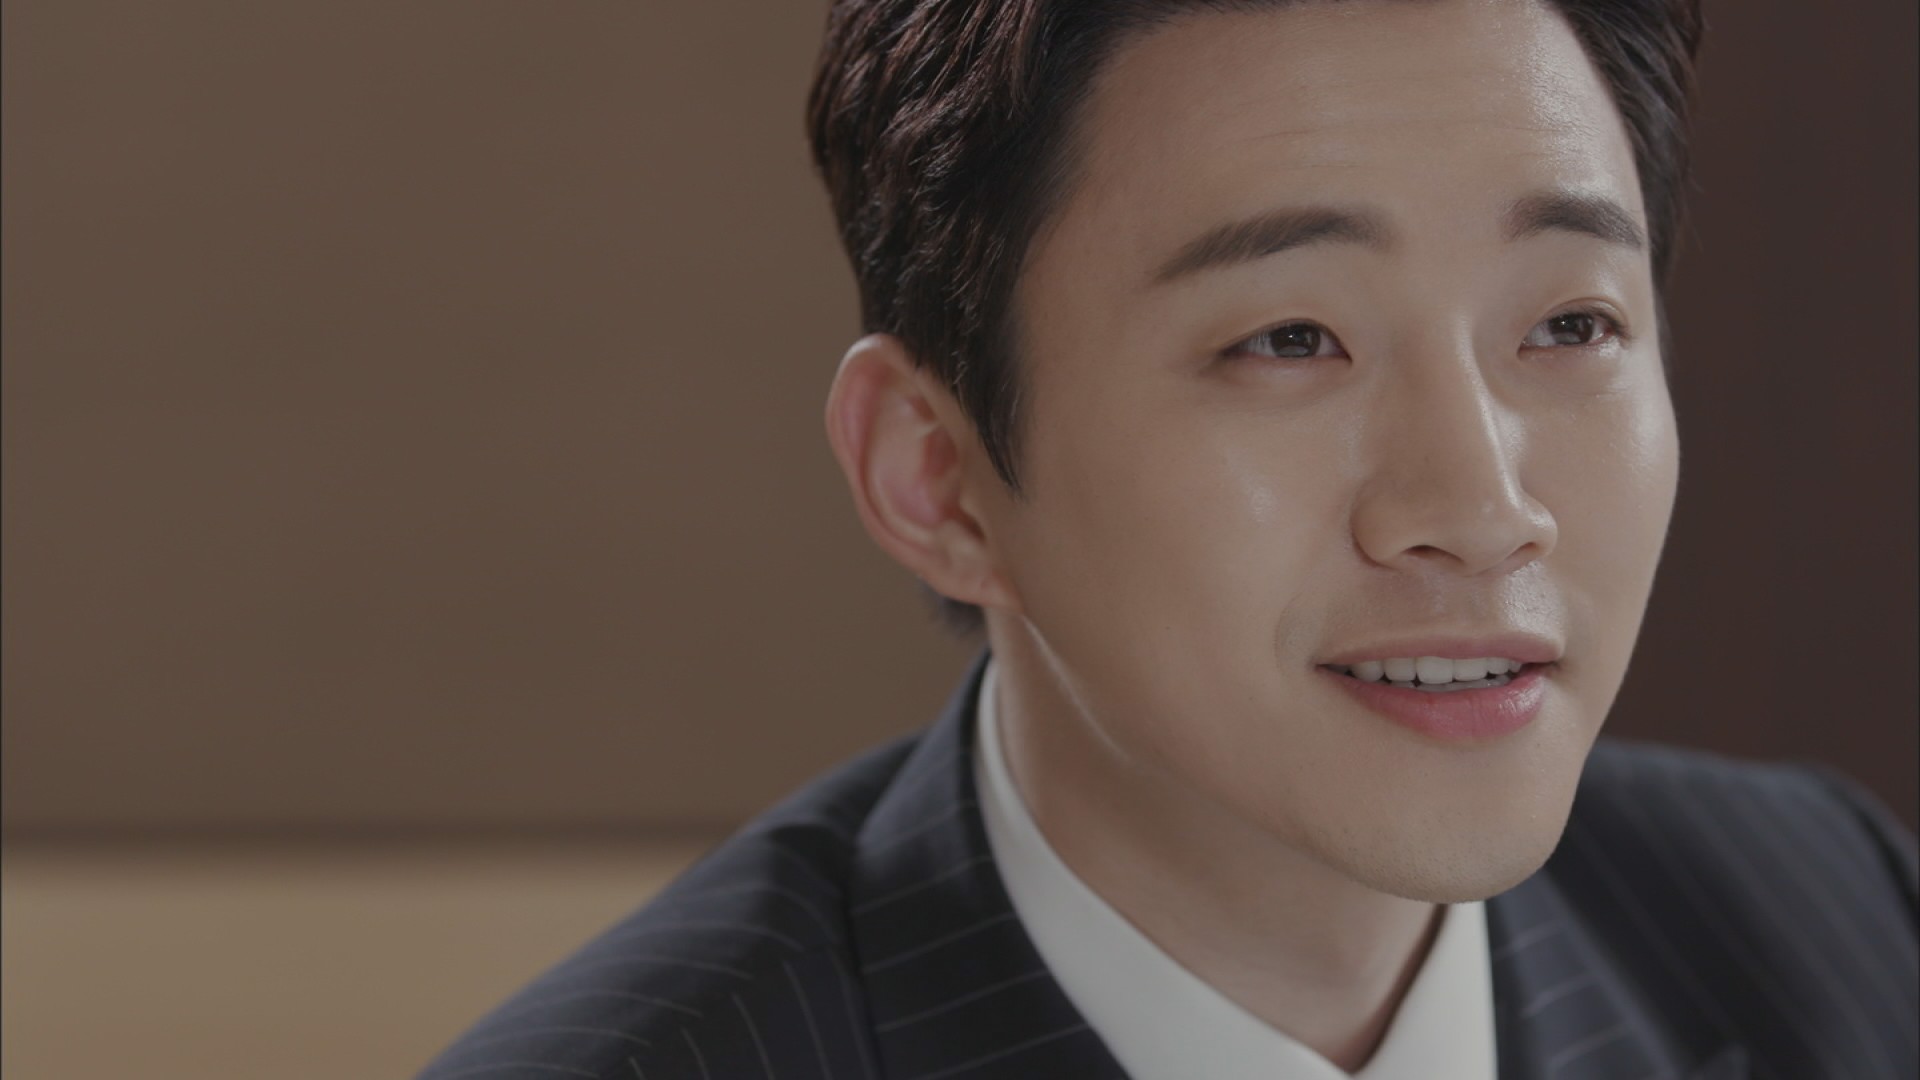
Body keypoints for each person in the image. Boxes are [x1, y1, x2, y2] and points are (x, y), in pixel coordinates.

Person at [418, 1, 1919, 1076]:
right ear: (937, 478)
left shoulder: (1837, 922)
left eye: (1572, 323)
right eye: (1289, 339)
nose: (1479, 509)